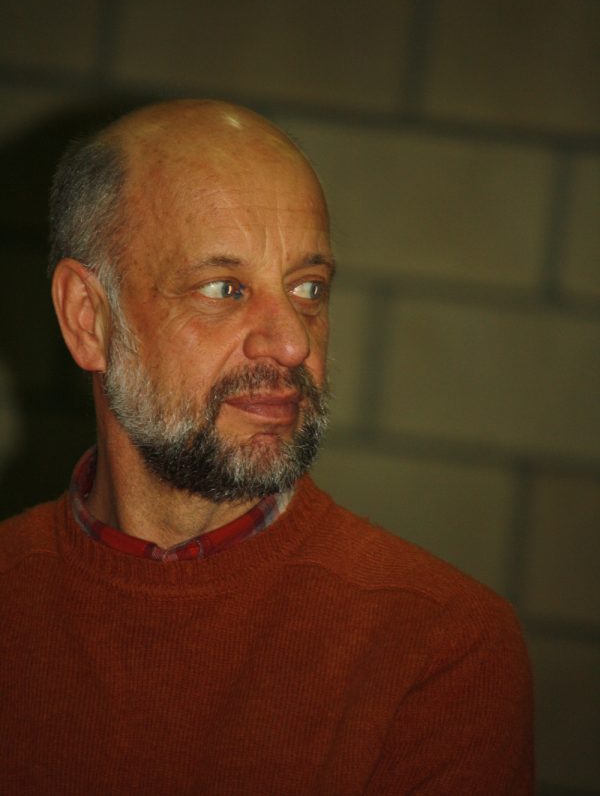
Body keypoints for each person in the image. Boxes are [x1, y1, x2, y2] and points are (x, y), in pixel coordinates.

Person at [0, 99, 533, 795]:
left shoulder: (438, 647)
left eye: (309, 288)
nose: (293, 343)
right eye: (225, 288)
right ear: (88, 319)